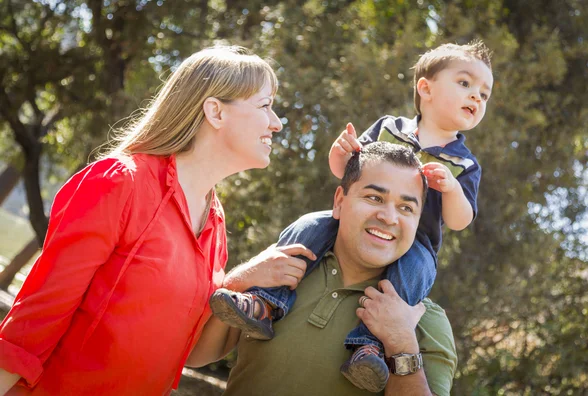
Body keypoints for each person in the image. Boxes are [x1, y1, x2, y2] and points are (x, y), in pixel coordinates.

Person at [0, 46, 316, 395]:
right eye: (265, 105)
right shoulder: (121, 182)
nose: (277, 122)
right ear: (215, 111)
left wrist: (242, 281)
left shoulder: (215, 222)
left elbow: (193, 353)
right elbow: (36, 318)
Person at [210, 40, 493, 392]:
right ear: (426, 88)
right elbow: (346, 171)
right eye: (466, 84)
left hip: (417, 246)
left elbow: (459, 220)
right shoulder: (388, 128)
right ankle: (267, 302)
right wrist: (339, 152)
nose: (476, 97)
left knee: (413, 275)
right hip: (325, 232)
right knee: (308, 225)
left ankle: (368, 346)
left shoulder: (464, 163)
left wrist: (450, 189)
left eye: (484, 93)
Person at [192, 142, 457, 395]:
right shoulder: (276, 273)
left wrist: (402, 344)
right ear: (340, 201)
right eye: (374, 197)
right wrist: (237, 281)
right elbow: (196, 356)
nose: (389, 217)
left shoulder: (423, 319)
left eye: (406, 207)